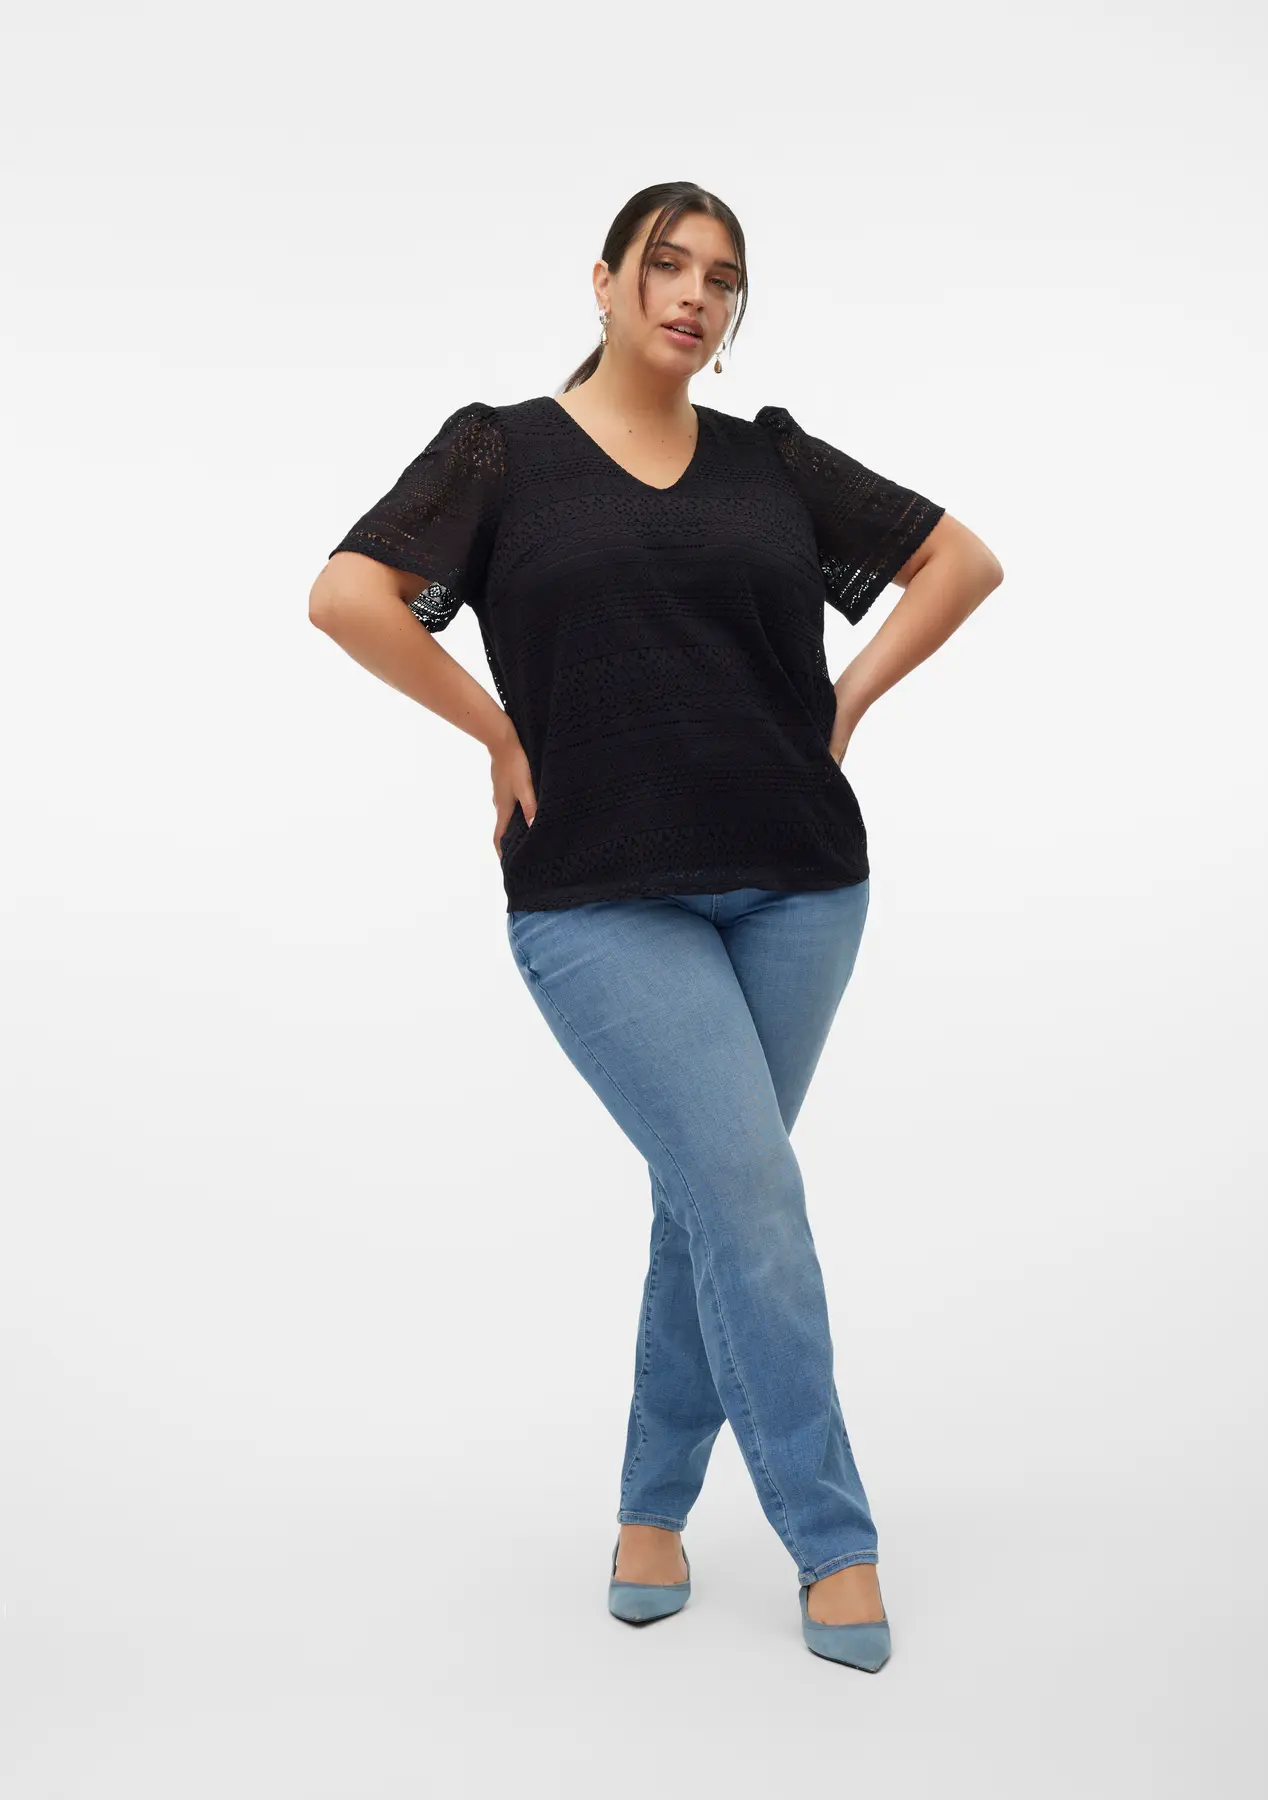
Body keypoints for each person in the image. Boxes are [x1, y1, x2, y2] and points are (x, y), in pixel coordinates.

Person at [309, 180, 1003, 1672]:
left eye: (723, 279)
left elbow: (962, 560)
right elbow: (348, 594)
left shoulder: (770, 459)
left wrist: (846, 701)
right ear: (607, 279)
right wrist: (497, 729)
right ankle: (836, 1541)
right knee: (747, 1196)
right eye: (668, 265)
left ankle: (648, 1512)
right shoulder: (503, 451)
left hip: (800, 883)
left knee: (710, 1202)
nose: (694, 295)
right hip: (595, 894)